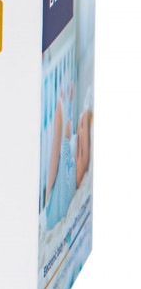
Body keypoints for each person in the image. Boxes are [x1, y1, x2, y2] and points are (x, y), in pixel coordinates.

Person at [44, 84, 92, 229]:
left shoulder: (75, 168)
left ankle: (60, 105)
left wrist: (65, 139)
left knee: (58, 149)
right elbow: (72, 122)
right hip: (54, 199)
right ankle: (61, 102)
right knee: (66, 131)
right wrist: (71, 100)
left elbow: (64, 181)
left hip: (53, 209)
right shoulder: (75, 143)